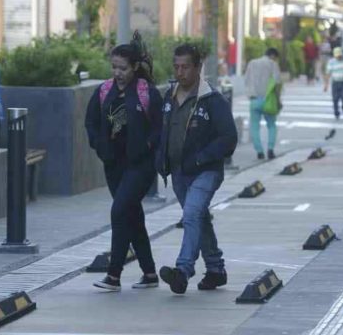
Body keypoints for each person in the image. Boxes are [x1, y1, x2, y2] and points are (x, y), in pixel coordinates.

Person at [156, 44, 237, 294]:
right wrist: (161, 159)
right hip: (178, 172)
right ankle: (215, 270)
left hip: (206, 171)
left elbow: (228, 138)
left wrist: (202, 159)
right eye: (176, 67)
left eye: (186, 67)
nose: (180, 72)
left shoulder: (213, 100)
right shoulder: (169, 96)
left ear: (198, 68)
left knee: (191, 215)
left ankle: (183, 271)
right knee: (199, 218)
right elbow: (163, 131)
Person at [85, 31, 163, 291]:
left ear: (134, 68)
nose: (118, 73)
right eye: (114, 67)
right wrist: (98, 145)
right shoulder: (104, 90)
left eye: (123, 68)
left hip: (140, 165)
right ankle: (150, 273)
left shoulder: (146, 92)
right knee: (132, 215)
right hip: (113, 164)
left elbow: (159, 127)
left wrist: (148, 146)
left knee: (119, 211)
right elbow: (91, 123)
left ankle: (114, 275)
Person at [244, 48, 282, 160]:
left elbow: (246, 80)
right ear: (273, 56)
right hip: (268, 100)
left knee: (254, 126)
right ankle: (270, 149)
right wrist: (278, 100)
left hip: (254, 100)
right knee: (271, 125)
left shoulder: (252, 63)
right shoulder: (273, 64)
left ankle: (259, 151)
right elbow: (277, 83)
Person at [324, 46, 343, 119]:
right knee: (335, 99)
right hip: (335, 82)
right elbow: (328, 73)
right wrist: (326, 85)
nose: (338, 57)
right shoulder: (331, 62)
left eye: (339, 55)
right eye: (337, 55)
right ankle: (336, 112)